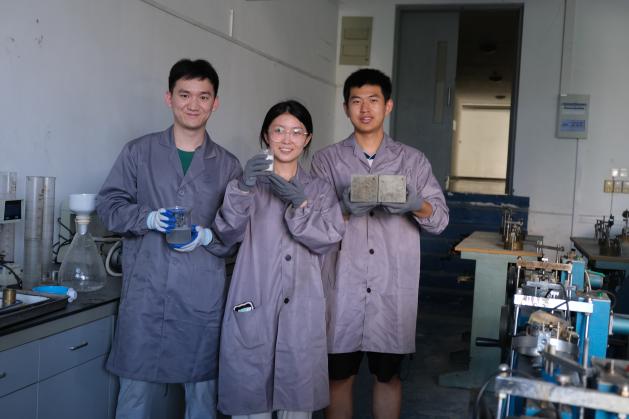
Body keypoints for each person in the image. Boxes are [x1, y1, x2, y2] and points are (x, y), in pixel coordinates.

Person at [96, 58, 242, 419]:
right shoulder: (138, 152)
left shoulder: (228, 165)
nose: (193, 104)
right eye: (184, 94)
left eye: (203, 96)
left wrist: (207, 236)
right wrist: (145, 218)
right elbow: (109, 205)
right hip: (146, 293)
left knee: (202, 396)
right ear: (169, 98)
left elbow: (235, 230)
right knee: (134, 392)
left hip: (200, 296)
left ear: (215, 103)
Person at [310, 68, 449, 419]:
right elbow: (312, 226)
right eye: (356, 101)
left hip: (391, 288)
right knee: (338, 377)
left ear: (388, 106)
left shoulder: (412, 161)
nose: (365, 108)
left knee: (388, 377)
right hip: (343, 288)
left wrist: (416, 204)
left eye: (373, 100)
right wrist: (343, 210)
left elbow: (440, 221)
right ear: (346, 108)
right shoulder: (326, 160)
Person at [213, 100, 345, 419]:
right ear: (266, 135)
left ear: (307, 138)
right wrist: (242, 189)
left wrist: (302, 206)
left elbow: (329, 239)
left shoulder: (320, 190)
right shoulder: (248, 185)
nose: (287, 139)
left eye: (297, 132)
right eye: (279, 130)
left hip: (302, 308)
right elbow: (226, 233)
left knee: (296, 405)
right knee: (250, 403)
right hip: (253, 303)